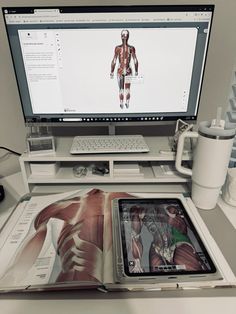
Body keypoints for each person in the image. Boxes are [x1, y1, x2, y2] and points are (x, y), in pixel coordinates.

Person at [129, 203, 207, 273]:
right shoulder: (138, 211)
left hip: (179, 243)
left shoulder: (172, 206)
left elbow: (196, 227)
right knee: (157, 282)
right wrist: (137, 263)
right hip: (158, 248)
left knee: (193, 276)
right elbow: (135, 237)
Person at [110, 29, 138, 109]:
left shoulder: (124, 48)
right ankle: (124, 103)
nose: (124, 37)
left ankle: (124, 103)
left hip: (123, 70)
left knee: (124, 89)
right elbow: (135, 60)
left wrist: (112, 72)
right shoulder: (128, 48)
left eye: (125, 35)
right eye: (123, 35)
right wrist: (136, 71)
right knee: (124, 89)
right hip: (124, 70)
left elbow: (115, 60)